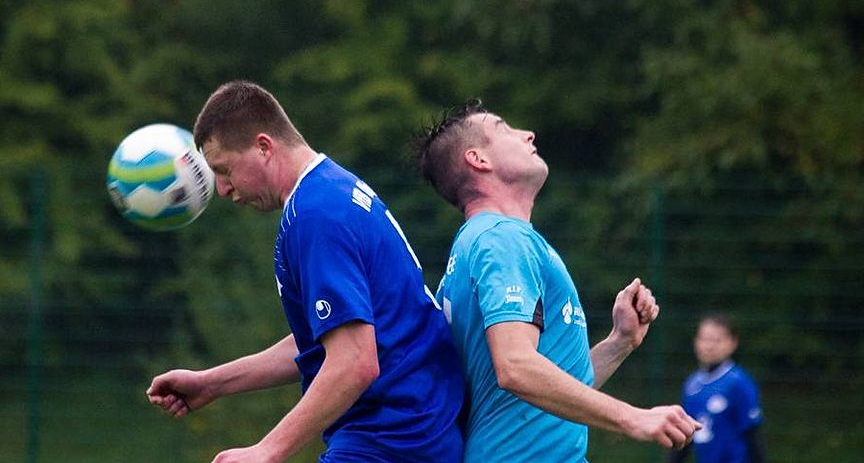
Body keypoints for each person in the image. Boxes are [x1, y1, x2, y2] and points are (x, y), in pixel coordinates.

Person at [146, 80, 465, 463]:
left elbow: (354, 361)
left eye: (224, 170)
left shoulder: (315, 216)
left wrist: (268, 450)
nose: (222, 189)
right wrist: (212, 383)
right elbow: (326, 340)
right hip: (410, 430)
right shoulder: (332, 188)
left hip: (392, 439)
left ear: (264, 147)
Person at [413, 100, 701, 462]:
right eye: (504, 129)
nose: (528, 134)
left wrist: (619, 342)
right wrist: (633, 417)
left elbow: (539, 398)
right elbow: (516, 368)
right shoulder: (502, 239)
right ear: (478, 160)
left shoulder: (481, 241)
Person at [669, 313, 764, 463]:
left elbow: (752, 435)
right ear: (696, 342)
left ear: (733, 343)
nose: (709, 346)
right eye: (704, 339)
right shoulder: (691, 384)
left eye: (717, 340)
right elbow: (685, 435)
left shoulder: (739, 383)